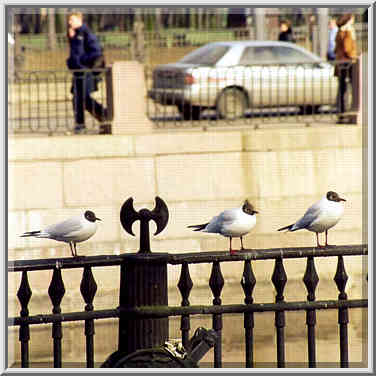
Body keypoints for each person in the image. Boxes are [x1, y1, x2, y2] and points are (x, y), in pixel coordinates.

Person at [66, 12, 110, 134]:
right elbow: (75, 53)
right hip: (78, 72)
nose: (70, 22)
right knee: (77, 99)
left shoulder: (86, 33)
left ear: (79, 20)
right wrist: (72, 39)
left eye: (72, 20)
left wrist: (81, 61)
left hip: (86, 71)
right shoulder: (75, 34)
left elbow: (96, 52)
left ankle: (103, 115)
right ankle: (81, 124)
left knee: (82, 98)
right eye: (69, 20)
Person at [334, 13, 357, 119]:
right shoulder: (347, 32)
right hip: (347, 63)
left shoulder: (339, 32)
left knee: (342, 87)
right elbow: (348, 48)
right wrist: (354, 57)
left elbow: (336, 49)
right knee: (353, 86)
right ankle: (349, 109)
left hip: (340, 62)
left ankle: (340, 110)